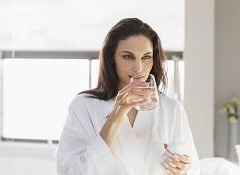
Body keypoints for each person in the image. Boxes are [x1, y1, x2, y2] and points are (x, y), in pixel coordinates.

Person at [57, 18, 200, 175]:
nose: (138, 68)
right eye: (128, 56)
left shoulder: (171, 109)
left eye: (146, 57)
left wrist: (183, 170)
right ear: (112, 57)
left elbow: (193, 169)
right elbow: (71, 172)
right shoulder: (84, 106)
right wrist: (117, 115)